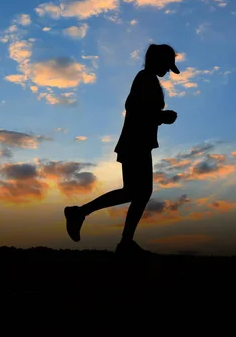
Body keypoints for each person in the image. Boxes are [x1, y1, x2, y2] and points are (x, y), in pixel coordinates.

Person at [64, 43, 180, 257]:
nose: (167, 71)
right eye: (166, 65)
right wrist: (161, 117)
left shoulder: (148, 79)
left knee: (136, 192)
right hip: (135, 143)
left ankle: (88, 219)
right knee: (140, 192)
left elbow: (141, 110)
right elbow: (134, 108)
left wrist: (159, 118)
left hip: (138, 143)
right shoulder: (145, 78)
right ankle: (86, 217)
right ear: (157, 61)